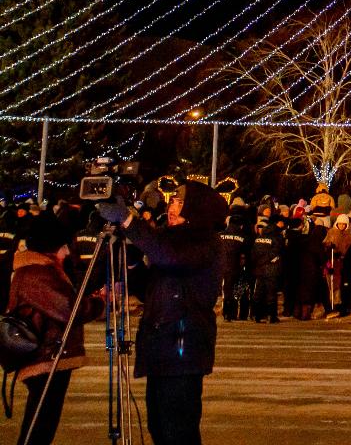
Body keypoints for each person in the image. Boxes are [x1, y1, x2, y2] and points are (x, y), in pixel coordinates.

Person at [99, 180, 227, 445]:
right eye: (172, 201)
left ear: (196, 208)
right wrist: (133, 263)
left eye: (180, 202)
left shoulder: (204, 242)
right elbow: (150, 287)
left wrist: (130, 222)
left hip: (182, 345)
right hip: (161, 345)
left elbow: (171, 258)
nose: (172, 208)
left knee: (177, 429)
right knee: (158, 425)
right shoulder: (170, 240)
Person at [6, 212, 105, 445]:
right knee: (39, 425)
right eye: (64, 247)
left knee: (43, 422)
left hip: (51, 355)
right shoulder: (36, 272)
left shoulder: (41, 270)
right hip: (45, 356)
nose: (68, 252)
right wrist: (100, 304)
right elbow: (69, 309)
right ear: (52, 247)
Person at [248, 216, 284, 323]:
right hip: (272, 267)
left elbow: (253, 253)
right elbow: (277, 251)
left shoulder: (259, 238)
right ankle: (271, 316)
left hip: (259, 268)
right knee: (271, 292)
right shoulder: (277, 238)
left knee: (258, 292)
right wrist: (267, 260)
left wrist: (259, 262)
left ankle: (256, 315)